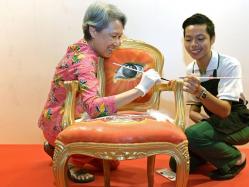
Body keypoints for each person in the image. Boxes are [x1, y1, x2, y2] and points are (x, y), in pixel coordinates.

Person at [38, 2, 161, 183]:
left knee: (112, 165)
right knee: (102, 147)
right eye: (113, 36)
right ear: (93, 31)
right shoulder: (85, 60)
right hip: (63, 121)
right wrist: (140, 89)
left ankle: (55, 147)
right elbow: (95, 108)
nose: (118, 43)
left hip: (56, 117)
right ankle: (71, 160)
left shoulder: (83, 47)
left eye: (120, 36)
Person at [169, 13, 249, 180]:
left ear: (212, 39)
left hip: (239, 122)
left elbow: (224, 111)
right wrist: (204, 122)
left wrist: (200, 91)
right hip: (215, 122)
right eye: (188, 39)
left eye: (200, 38)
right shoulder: (191, 69)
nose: (193, 44)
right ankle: (209, 151)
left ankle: (235, 158)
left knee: (193, 134)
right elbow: (193, 110)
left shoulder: (229, 64)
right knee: (176, 163)